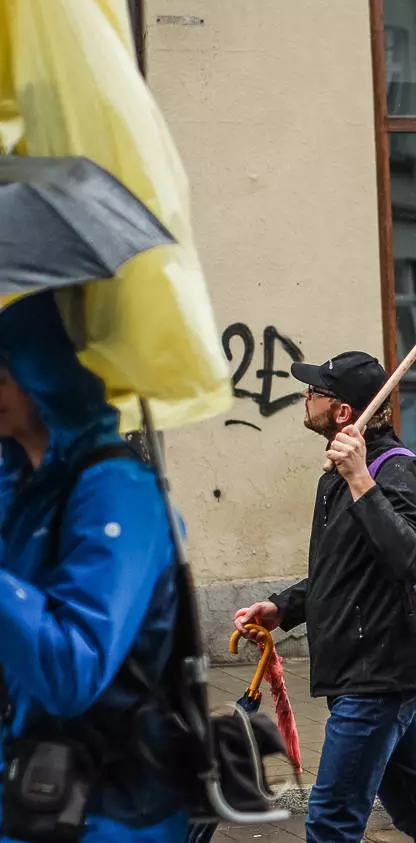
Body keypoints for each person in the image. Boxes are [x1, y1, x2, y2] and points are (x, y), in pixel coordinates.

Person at [232, 351, 416, 843]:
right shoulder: (337, 478)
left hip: (377, 674)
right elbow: (341, 572)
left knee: (331, 820)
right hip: (364, 668)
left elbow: (410, 559)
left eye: (316, 392)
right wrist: (283, 608)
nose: (306, 396)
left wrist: (361, 479)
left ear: (344, 412)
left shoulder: (396, 473)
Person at [0, 292, 188, 841]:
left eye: (3, 372)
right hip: (35, 793)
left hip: (106, 810)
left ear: (48, 374)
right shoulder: (26, 486)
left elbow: (70, 670)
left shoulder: (119, 492)